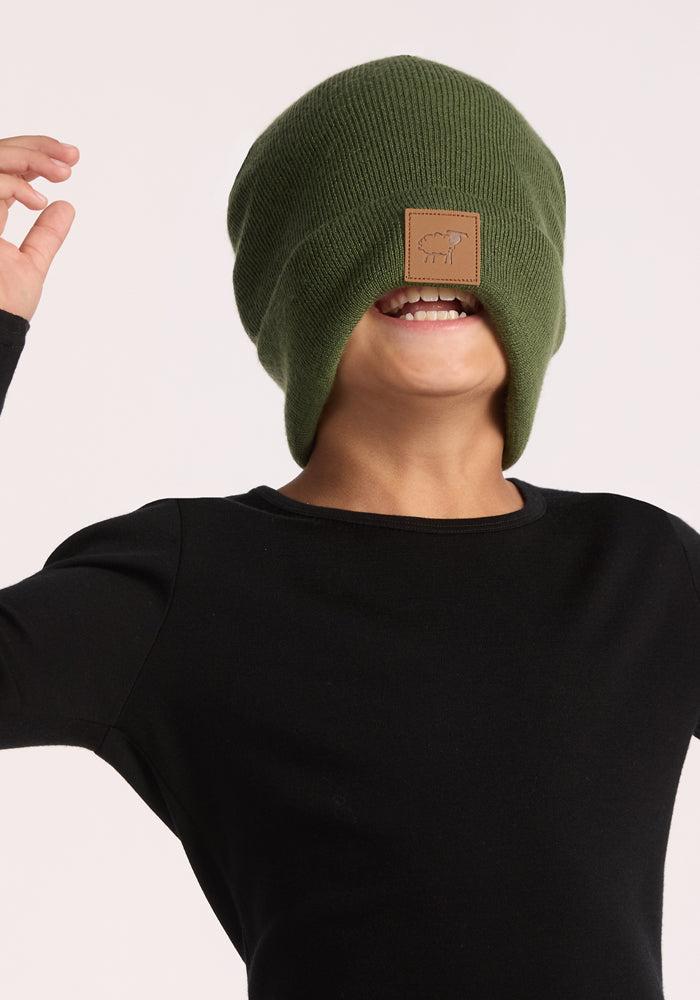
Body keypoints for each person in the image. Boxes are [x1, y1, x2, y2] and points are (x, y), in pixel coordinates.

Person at [1, 54, 699, 1000]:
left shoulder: (647, 572)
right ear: (291, 293)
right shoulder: (186, 583)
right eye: (371, 234)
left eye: (468, 236)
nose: (432, 260)